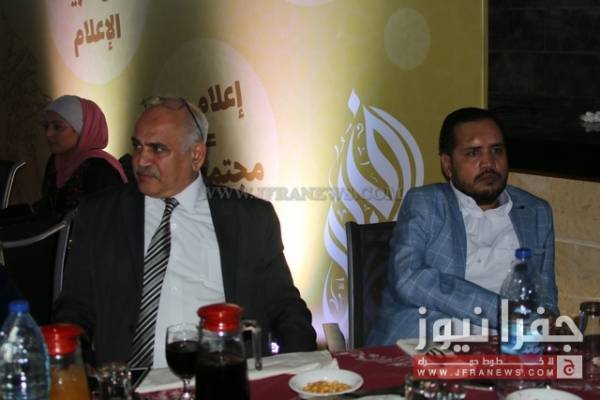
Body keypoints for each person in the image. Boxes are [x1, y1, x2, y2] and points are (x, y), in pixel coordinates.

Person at [53, 97, 316, 368]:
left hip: (224, 377)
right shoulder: (100, 215)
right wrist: (74, 375)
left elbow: (286, 309)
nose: (141, 160)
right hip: (130, 382)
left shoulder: (249, 219)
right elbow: (75, 309)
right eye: (138, 146)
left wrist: (299, 371)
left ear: (196, 155)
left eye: (157, 149)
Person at [367, 107, 558, 345]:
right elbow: (408, 280)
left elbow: (546, 299)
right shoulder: (426, 203)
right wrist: (502, 312)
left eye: (497, 150)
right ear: (448, 165)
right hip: (427, 345)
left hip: (508, 348)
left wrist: (545, 325)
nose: (489, 162)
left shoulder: (535, 212)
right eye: (473, 153)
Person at [35, 95, 128, 217]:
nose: (48, 133)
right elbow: (47, 208)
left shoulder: (100, 169)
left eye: (57, 127)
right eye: (46, 126)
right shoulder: (57, 161)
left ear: (82, 129)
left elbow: (108, 220)